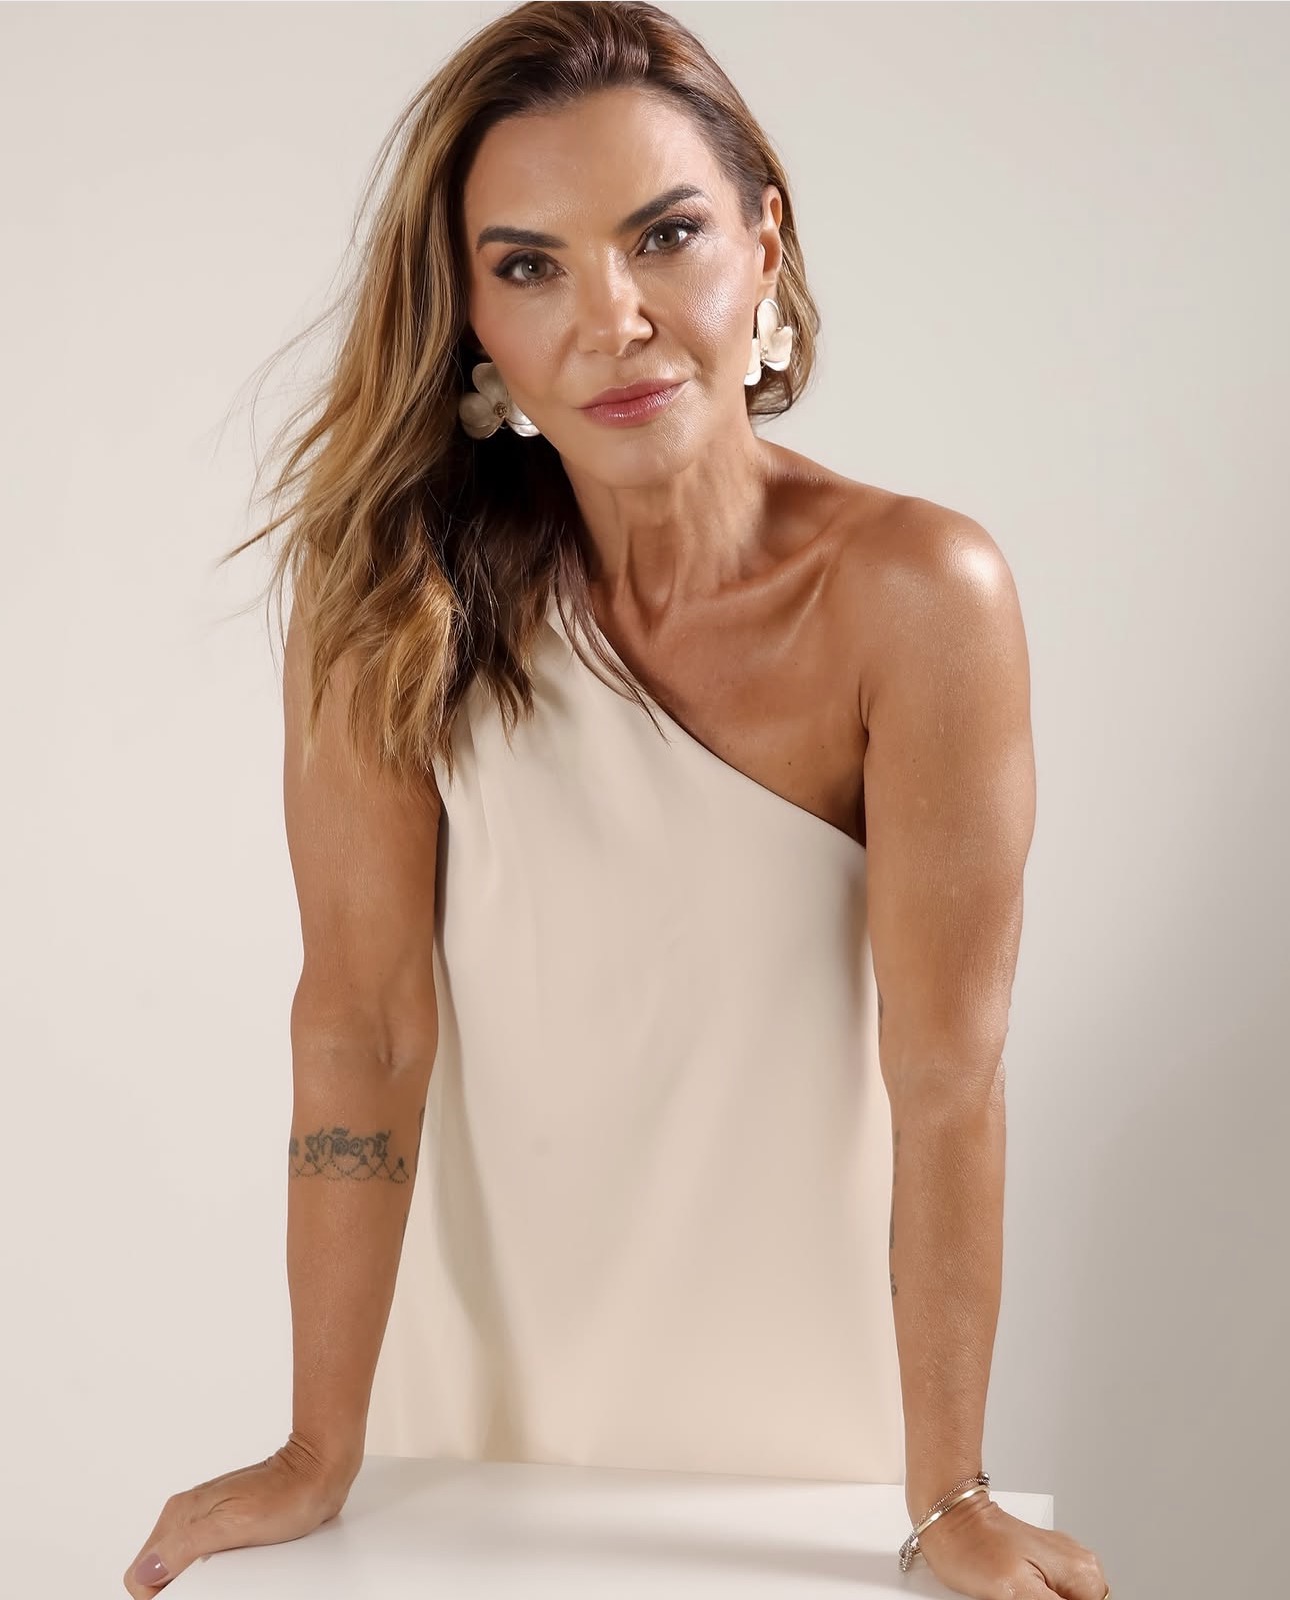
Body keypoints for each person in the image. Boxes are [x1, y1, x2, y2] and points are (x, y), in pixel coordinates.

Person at [124, 4, 1111, 1598]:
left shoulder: (917, 592)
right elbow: (360, 1026)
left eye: (665, 236)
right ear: (471, 320)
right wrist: (318, 1448)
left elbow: (946, 1075)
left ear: (762, 247)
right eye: (529, 266)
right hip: (476, 1413)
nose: (614, 319)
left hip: (811, 1435)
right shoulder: (390, 597)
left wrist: (948, 1492)